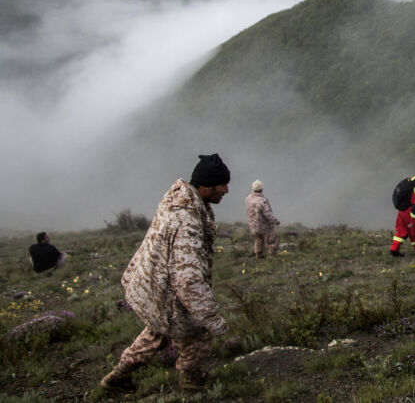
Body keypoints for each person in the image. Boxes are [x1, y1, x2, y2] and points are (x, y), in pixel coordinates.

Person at [100, 154, 231, 393]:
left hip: (150, 287)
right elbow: (187, 279)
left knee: (157, 332)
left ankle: (119, 376)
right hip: (165, 293)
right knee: (199, 333)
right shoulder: (187, 221)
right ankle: (190, 378)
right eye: (222, 184)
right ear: (206, 186)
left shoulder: (178, 199)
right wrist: (212, 318)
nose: (226, 190)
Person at [245, 180, 280, 258]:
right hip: (263, 225)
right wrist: (275, 221)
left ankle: (258, 254)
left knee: (258, 239)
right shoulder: (262, 200)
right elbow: (267, 214)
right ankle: (273, 255)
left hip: (253, 225)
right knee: (271, 239)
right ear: (261, 189)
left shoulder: (248, 199)